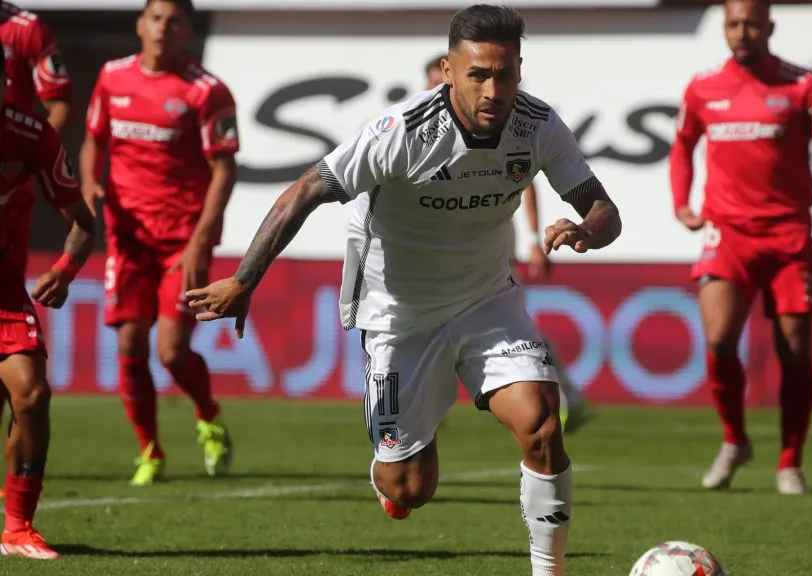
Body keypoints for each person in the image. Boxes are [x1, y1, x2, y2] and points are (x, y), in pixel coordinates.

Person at [188, 6, 620, 575]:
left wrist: (586, 229)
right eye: (478, 74)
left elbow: (603, 209)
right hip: (398, 313)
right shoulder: (401, 132)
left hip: (486, 299)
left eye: (506, 74)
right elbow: (304, 191)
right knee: (411, 487)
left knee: (542, 422)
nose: (494, 89)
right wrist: (244, 280)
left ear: (520, 69)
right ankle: (390, 473)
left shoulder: (538, 126)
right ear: (447, 70)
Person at [669, 0, 812, 495]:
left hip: (789, 235)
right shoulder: (703, 88)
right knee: (719, 337)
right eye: (732, 23)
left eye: (750, 22)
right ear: (724, 28)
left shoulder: (802, 84)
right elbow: (683, 143)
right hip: (727, 232)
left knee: (793, 349)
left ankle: (790, 461)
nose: (741, 32)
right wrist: (681, 203)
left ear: (769, 25)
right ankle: (735, 441)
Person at [78, 0, 239, 486]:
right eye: (155, 18)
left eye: (174, 21)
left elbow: (224, 169)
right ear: (140, 24)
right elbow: (93, 140)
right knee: (129, 342)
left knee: (170, 351)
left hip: (182, 242)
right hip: (128, 238)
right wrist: (89, 184)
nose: (163, 28)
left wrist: (199, 243)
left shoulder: (206, 91)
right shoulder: (112, 78)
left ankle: (208, 414)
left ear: (187, 29)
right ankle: (149, 451)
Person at [423, 54, 595, 433]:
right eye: (436, 85)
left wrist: (535, 238)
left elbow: (526, 177)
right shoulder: (418, 133)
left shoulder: (505, 125)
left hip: (489, 243)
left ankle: (562, 393)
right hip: (438, 250)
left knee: (507, 326)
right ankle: (425, 407)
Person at [0, 60, 96, 558]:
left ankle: (17, 527)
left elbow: (83, 221)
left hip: (6, 297)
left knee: (32, 395)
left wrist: (64, 268)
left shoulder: (29, 133)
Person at [0, 0, 74, 499]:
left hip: (12, 180)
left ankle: (18, 517)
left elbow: (58, 103)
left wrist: (31, 156)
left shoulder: (25, 27)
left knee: (28, 391)